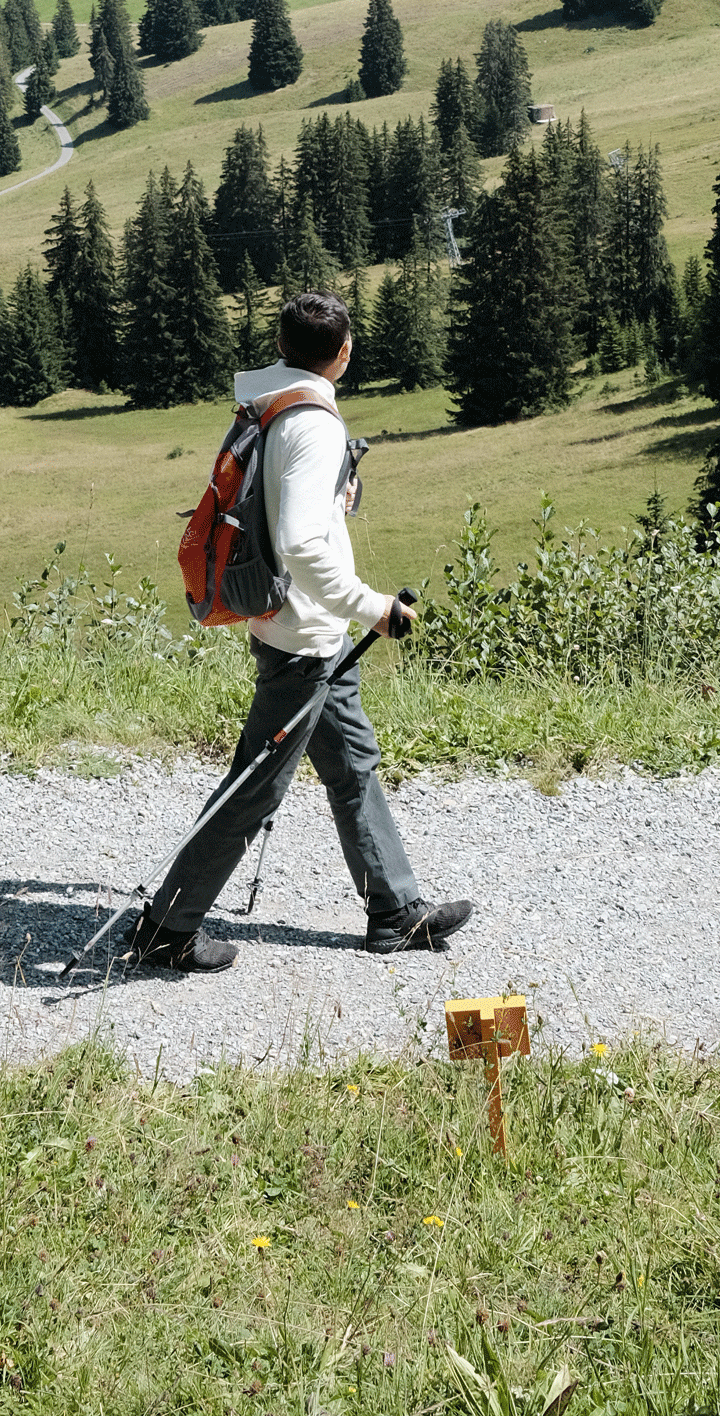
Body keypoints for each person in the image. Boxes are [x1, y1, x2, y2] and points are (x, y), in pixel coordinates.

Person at [131, 289, 473, 975]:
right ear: (343, 352)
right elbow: (300, 544)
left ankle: (394, 912)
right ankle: (165, 928)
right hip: (304, 638)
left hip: (294, 627)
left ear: (285, 347)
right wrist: (374, 607)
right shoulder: (312, 424)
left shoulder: (270, 401)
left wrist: (334, 498)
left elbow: (284, 504)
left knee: (353, 764)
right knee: (252, 789)